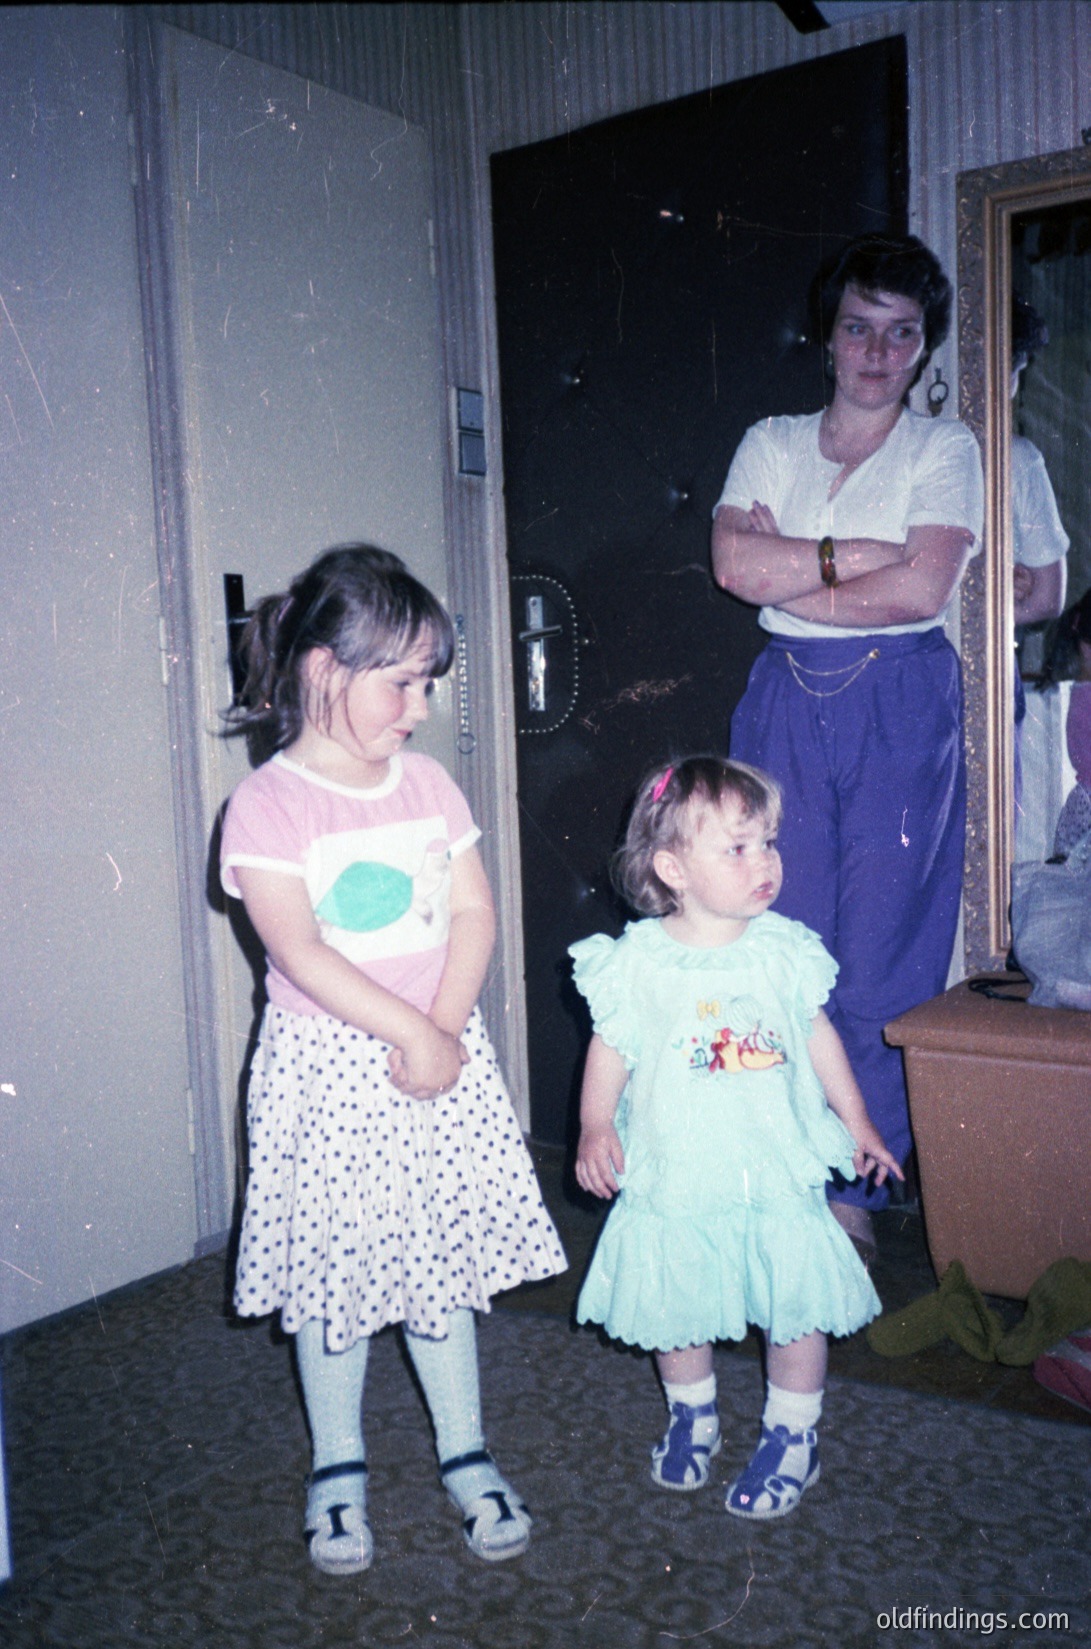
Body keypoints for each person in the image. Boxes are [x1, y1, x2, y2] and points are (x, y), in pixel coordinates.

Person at [219, 544, 566, 1575]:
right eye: (402, 679)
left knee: (437, 1260)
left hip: (439, 1057)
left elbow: (471, 906)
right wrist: (410, 1031)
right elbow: (301, 948)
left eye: (427, 680)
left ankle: (464, 1448)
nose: (419, 704)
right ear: (325, 669)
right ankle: (337, 1463)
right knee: (338, 1274)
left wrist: (445, 1024)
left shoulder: (427, 785)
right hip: (332, 1070)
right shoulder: (269, 805)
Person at [710, 233, 983, 1265]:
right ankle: (775, 1166)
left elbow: (919, 591)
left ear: (921, 351)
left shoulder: (941, 450)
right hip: (785, 697)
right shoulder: (770, 438)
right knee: (773, 934)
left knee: (879, 948)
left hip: (898, 699)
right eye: (858, 327)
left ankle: (849, 1185)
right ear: (827, 335)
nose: (876, 352)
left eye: (900, 335)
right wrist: (847, 554)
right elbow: (734, 569)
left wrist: (792, 573)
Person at [571, 756, 901, 1520]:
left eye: (769, 843)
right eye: (738, 847)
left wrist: (857, 1121)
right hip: (677, 1165)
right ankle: (691, 1412)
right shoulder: (638, 961)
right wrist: (594, 1125)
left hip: (770, 1165)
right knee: (675, 1299)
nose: (765, 862)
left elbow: (816, 1037)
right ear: (671, 866)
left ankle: (793, 1435)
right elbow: (611, 1046)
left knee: (793, 1302)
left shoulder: (782, 949)